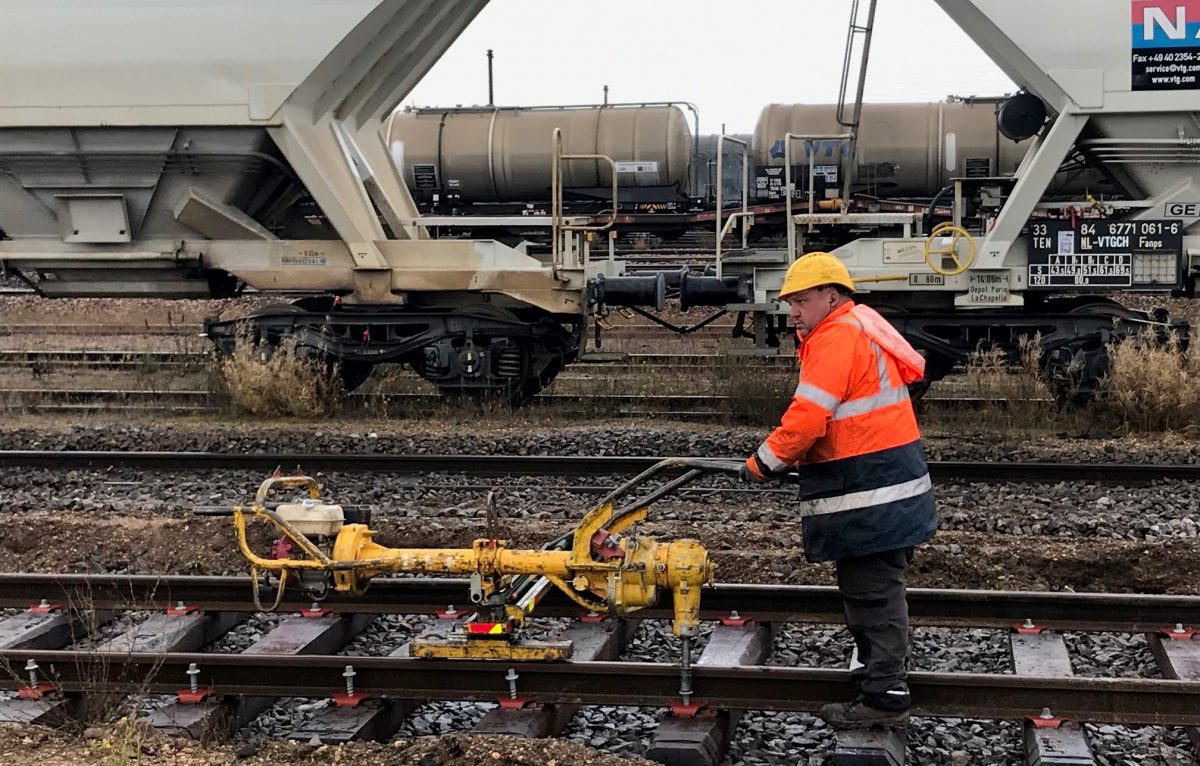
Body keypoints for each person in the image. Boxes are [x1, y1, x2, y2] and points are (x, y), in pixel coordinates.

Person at [739, 252, 938, 729]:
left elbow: (807, 419)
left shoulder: (837, 337)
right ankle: (878, 675)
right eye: (790, 303)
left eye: (801, 301)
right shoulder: (859, 326)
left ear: (832, 296)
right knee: (871, 587)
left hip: (870, 489)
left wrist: (763, 463)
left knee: (873, 593)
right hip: (883, 483)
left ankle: (885, 698)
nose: (793, 312)